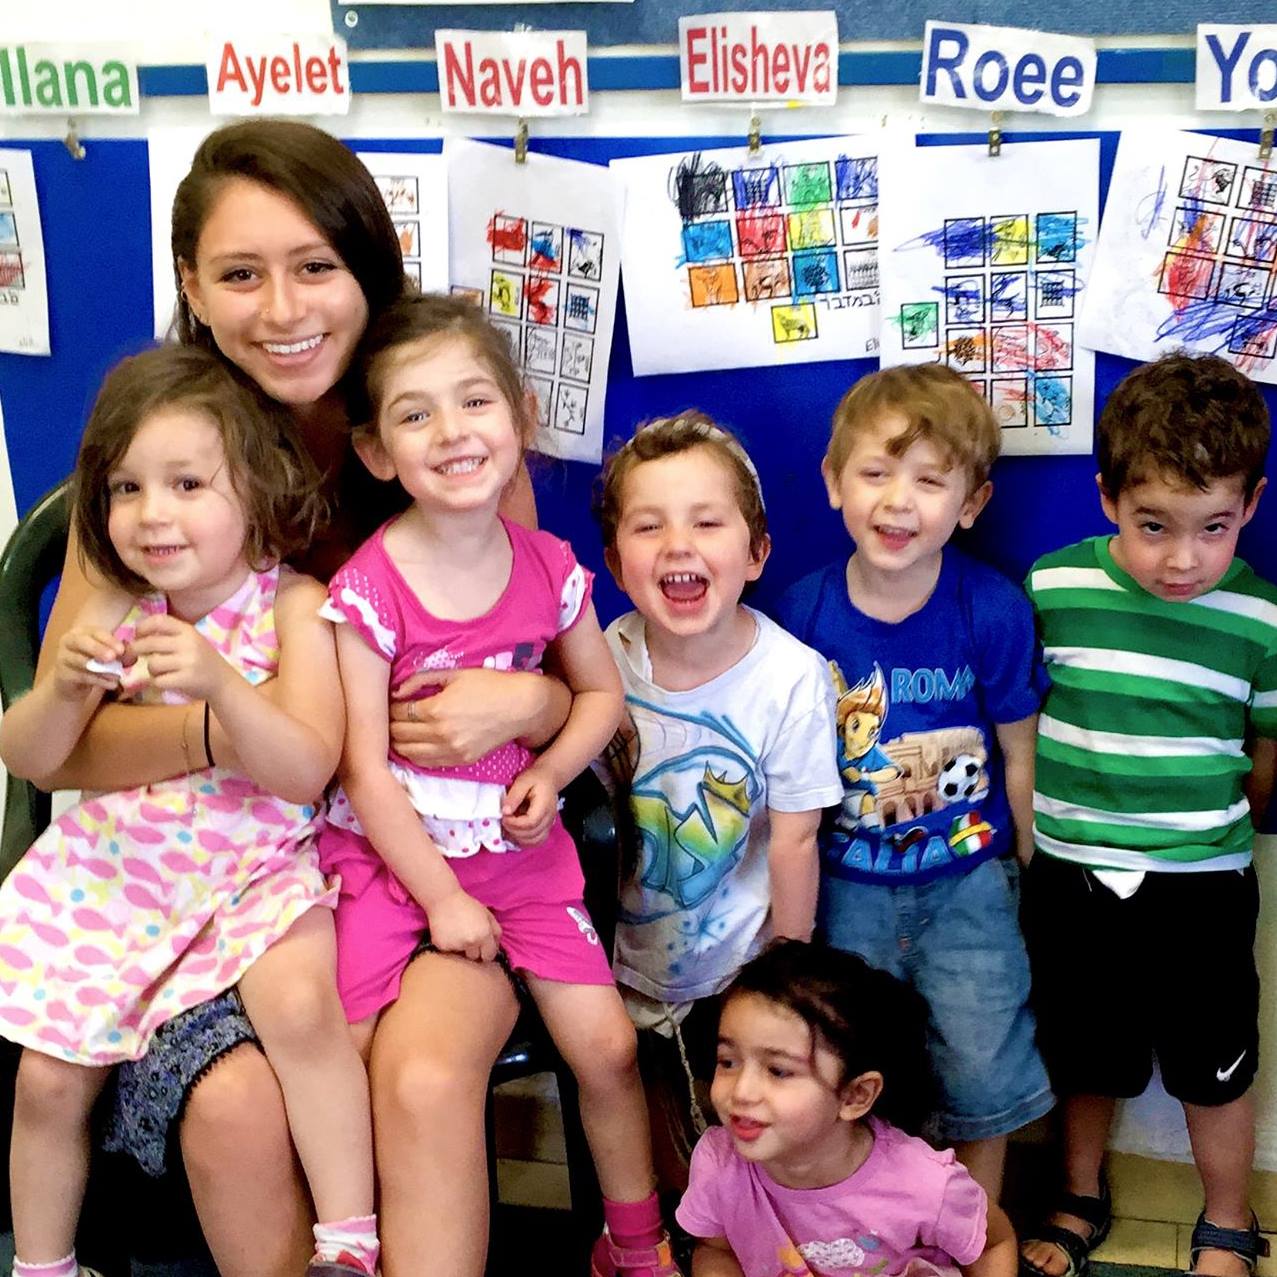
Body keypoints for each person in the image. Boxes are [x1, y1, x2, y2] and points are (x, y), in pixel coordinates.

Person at [24, 119, 568, 1277]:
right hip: (207, 888)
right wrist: (248, 733)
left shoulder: (453, 430)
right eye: (239, 273)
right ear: (192, 287)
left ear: (370, 267)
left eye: (315, 265)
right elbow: (64, 747)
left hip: (428, 867)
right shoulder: (152, 466)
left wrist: (524, 712)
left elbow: (561, 671)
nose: (282, 308)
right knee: (235, 1104)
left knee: (422, 1075)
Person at [318, 291, 680, 1277]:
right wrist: (437, 896)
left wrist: (553, 770)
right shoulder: (368, 587)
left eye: (473, 401)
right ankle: (352, 1239)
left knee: (606, 1046)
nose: (450, 431)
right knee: (342, 1050)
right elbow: (359, 763)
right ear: (377, 452)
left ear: (520, 416)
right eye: (414, 412)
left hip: (518, 859)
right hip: (393, 860)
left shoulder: (548, 565)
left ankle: (634, 1242)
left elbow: (597, 693)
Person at [0, 345, 377, 1277]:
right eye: (126, 488)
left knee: (300, 1008)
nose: (150, 512)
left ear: (254, 490)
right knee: (47, 1080)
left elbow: (304, 768)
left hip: (253, 870)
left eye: (185, 482)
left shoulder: (296, 607)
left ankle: (347, 1238)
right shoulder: (117, 612)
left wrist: (219, 691)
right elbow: (35, 760)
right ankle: (46, 1266)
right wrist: (64, 691)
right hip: (121, 879)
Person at [1020, 353, 1277, 1277]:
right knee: (1083, 1055)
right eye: (1152, 525)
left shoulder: (1261, 617)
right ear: (1106, 498)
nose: (1181, 558)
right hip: (1071, 875)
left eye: (1212, 527)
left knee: (1216, 1064)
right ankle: (1078, 1193)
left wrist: (1200, 828)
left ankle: (1226, 1220)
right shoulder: (1052, 591)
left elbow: (1263, 755)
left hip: (1201, 885)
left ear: (1249, 505)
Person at [775, 365, 1052, 1202]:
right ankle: (882, 1227)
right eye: (875, 472)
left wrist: (1030, 872)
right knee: (857, 1067)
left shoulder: (992, 609)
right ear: (832, 482)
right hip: (846, 890)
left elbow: (1019, 755)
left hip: (969, 886)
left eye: (930, 480)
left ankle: (978, 1226)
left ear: (969, 503)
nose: (899, 500)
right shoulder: (801, 614)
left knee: (978, 1061)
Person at [596, 413, 842, 1190]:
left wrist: (784, 983)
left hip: (737, 964)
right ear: (614, 560)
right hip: (621, 966)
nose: (678, 544)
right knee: (651, 1118)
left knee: (740, 1137)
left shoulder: (791, 678)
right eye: (649, 525)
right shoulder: (605, 657)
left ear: (755, 551)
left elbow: (797, 840)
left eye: (706, 521)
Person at [676, 940, 1017, 1277]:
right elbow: (715, 1250)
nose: (742, 1091)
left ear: (855, 1096)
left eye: (778, 1070)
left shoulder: (926, 1184)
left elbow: (993, 1245)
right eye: (728, 1061)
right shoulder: (718, 1166)